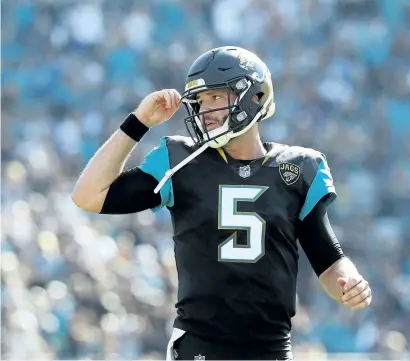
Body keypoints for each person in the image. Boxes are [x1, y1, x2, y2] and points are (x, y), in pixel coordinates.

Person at [72, 46, 372, 360]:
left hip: (271, 349)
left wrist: (349, 282)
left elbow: (327, 258)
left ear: (253, 96)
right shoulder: (181, 161)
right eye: (200, 101)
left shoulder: (297, 169)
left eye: (215, 97)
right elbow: (88, 195)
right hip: (201, 345)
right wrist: (138, 123)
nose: (205, 110)